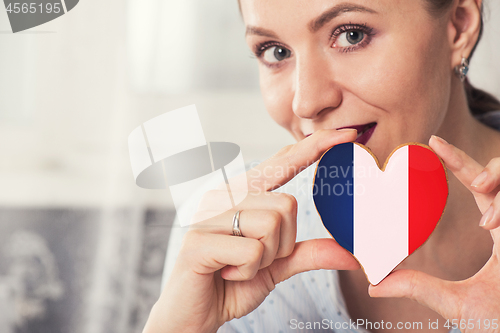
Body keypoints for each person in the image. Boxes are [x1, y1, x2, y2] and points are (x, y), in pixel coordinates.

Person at [144, 0, 500, 332]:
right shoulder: (227, 225)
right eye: (276, 52)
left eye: (351, 35)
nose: (307, 102)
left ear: (459, 25)